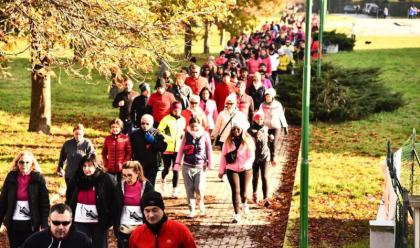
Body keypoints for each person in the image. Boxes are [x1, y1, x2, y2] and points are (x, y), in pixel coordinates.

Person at [0, 151, 50, 248]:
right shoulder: (11, 177)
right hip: (13, 223)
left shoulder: (38, 178)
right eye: (21, 162)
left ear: (32, 164)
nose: (24, 165)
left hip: (32, 224)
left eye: (27, 162)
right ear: (17, 163)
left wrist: (44, 225)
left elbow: (44, 204)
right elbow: (3, 202)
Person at [65, 154, 115, 248]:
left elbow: (114, 200)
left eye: (90, 165)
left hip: (99, 222)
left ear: (96, 165)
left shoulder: (106, 179)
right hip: (80, 221)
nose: (86, 168)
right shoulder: (76, 178)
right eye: (84, 166)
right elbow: (69, 198)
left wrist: (109, 219)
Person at [174, 117, 213, 218]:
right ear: (189, 126)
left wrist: (210, 163)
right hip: (187, 165)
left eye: (196, 126)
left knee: (199, 188)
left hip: (200, 166)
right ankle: (192, 209)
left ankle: (200, 202)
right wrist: (177, 163)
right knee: (189, 188)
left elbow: (209, 150)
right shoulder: (186, 135)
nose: (194, 128)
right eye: (192, 126)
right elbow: (181, 149)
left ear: (200, 126)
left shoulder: (205, 135)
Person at [129, 191, 196, 248]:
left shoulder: (181, 231)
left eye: (155, 210)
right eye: (147, 211)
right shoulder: (136, 234)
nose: (151, 215)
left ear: (162, 209)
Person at [218, 120, 255, 223]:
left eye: (238, 129)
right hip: (231, 169)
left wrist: (246, 165)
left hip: (246, 169)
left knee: (244, 193)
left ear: (242, 129)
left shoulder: (248, 140)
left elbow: (252, 156)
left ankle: (244, 203)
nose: (236, 131)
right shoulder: (228, 141)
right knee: (236, 191)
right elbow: (223, 157)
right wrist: (221, 171)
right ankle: (237, 214)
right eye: (233, 129)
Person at [113, 161, 154, 248]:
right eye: (124, 175)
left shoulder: (147, 186)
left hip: (141, 228)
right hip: (123, 228)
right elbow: (115, 207)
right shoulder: (119, 186)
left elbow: (153, 207)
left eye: (129, 175)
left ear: (137, 173)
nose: (127, 178)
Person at [22, 203, 92, 248]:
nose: (61, 227)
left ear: (71, 222)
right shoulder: (35, 241)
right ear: (49, 221)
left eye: (65, 223)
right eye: (56, 223)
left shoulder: (83, 241)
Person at [157, 102, 186, 196]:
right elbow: (159, 131)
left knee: (176, 169)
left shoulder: (183, 120)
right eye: (175, 109)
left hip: (178, 149)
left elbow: (182, 131)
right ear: (172, 109)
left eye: (178, 109)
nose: (177, 111)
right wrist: (167, 137)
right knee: (166, 168)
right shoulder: (166, 119)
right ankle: (162, 180)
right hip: (167, 148)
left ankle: (174, 190)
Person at [130, 114, 168, 186]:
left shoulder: (157, 134)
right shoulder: (135, 134)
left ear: (152, 123)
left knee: (149, 186)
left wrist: (153, 141)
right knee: (138, 185)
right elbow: (130, 148)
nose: (145, 126)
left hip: (152, 165)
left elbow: (163, 148)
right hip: (139, 165)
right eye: (143, 123)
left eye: (147, 124)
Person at [248, 112, 274, 207]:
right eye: (258, 119)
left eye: (261, 119)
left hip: (265, 156)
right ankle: (254, 194)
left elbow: (270, 143)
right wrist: (256, 135)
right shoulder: (250, 130)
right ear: (254, 119)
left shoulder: (265, 129)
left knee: (265, 177)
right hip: (254, 157)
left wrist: (270, 138)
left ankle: (266, 198)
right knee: (255, 177)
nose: (260, 121)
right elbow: (251, 138)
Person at [259, 88, 288, 163]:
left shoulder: (277, 104)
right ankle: (266, 157)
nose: (267, 98)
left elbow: (281, 115)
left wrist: (285, 126)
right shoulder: (262, 105)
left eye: (269, 96)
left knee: (274, 142)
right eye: (266, 96)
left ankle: (273, 157)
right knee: (267, 142)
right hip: (265, 127)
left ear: (272, 97)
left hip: (276, 127)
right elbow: (259, 114)